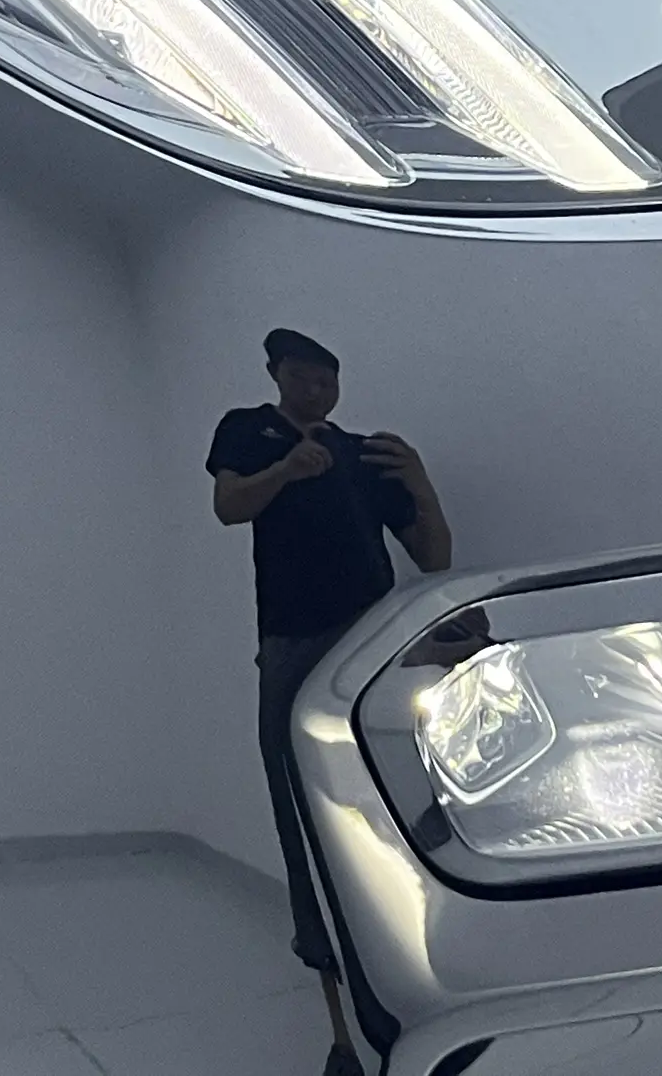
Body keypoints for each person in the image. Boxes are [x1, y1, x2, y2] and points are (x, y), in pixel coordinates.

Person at [209, 328, 450, 1076]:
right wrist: (285, 469)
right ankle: (344, 1037)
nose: (317, 391)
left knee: (409, 808)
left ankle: (428, 996)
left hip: (375, 649)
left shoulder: (365, 454)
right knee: (304, 824)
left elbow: (434, 556)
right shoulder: (248, 430)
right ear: (277, 376)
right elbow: (228, 506)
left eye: (328, 381)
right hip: (294, 650)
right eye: (304, 378)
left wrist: (420, 481)